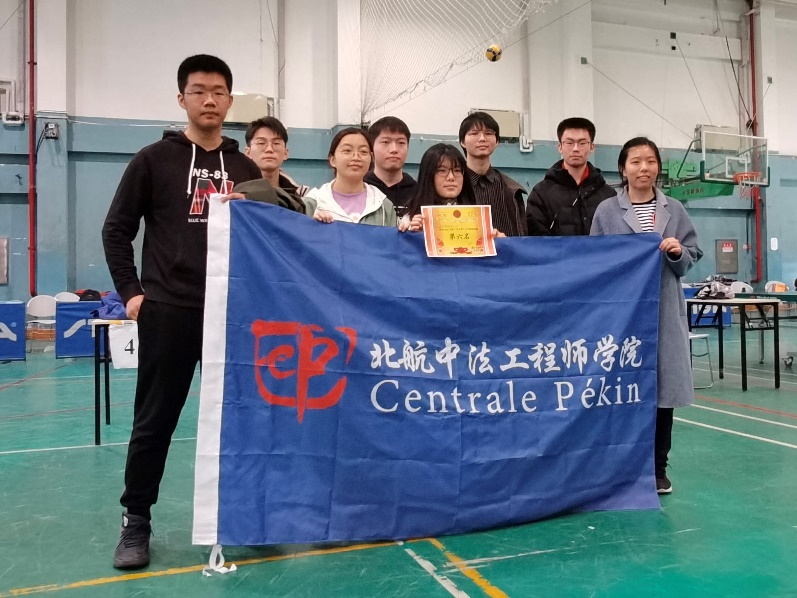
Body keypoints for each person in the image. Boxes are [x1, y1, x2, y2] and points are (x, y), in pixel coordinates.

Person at [102, 54, 261, 570]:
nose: (209, 100)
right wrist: (132, 294)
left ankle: (247, 516)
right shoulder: (152, 160)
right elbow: (116, 230)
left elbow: (267, 238)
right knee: (154, 421)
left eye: (218, 92)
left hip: (231, 315)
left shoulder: (245, 169)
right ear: (181, 99)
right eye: (198, 91)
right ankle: (136, 520)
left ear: (230, 101)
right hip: (168, 310)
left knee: (243, 419)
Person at [590, 137, 703, 496]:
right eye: (636, 161)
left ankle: (657, 469)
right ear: (623, 168)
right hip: (622, 315)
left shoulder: (674, 209)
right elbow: (594, 259)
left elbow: (692, 253)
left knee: (662, 393)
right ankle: (620, 466)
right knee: (622, 390)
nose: (644, 168)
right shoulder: (607, 211)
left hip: (664, 312)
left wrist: (677, 252)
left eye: (651, 161)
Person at [527, 117, 615, 236]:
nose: (575, 149)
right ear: (560, 147)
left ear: (592, 147)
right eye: (569, 143)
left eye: (582, 143)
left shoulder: (608, 195)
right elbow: (535, 237)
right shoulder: (541, 193)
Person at [304, 127, 396, 227]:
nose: (356, 157)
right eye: (347, 150)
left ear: (371, 159)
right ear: (332, 160)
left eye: (363, 151)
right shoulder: (312, 203)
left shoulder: (383, 205)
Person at [458, 111, 527, 236]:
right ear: (462, 141)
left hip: (505, 249)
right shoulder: (455, 186)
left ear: (497, 141)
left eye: (488, 133)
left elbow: (522, 235)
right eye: (474, 133)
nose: (482, 139)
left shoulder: (511, 189)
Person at [398, 143, 475, 232]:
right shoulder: (411, 220)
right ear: (428, 175)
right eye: (442, 170)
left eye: (457, 170)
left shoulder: (477, 215)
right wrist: (414, 234)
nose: (451, 177)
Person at [242, 116, 309, 203]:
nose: (269, 149)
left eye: (276, 143)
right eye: (261, 143)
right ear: (248, 153)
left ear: (286, 153)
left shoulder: (301, 195)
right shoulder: (237, 191)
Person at [364, 116, 417, 213]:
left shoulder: (419, 193)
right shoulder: (360, 188)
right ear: (371, 149)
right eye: (385, 142)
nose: (394, 149)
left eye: (401, 143)